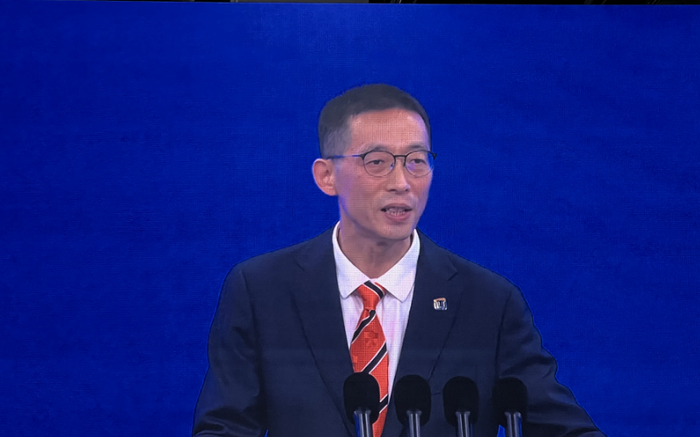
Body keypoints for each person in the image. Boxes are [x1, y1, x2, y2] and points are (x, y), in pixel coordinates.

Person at [192, 84, 606, 437]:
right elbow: (224, 427)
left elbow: (564, 429)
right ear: (326, 176)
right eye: (377, 162)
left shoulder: (489, 303)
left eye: (416, 161)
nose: (402, 182)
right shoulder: (261, 291)